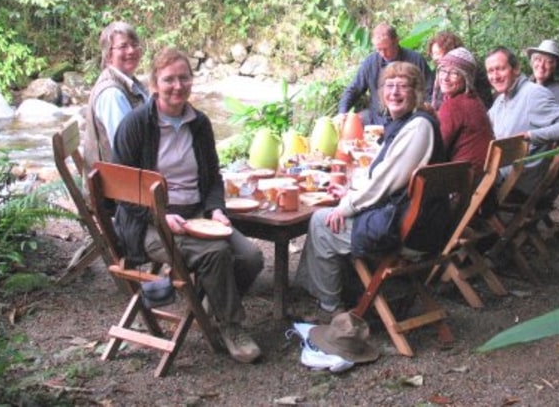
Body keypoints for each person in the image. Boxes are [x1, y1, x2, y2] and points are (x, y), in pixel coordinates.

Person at [112, 47, 264, 364]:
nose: (177, 86)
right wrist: (160, 215)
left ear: (192, 81)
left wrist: (216, 209)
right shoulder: (136, 125)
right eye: (169, 79)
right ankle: (232, 326)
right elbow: (121, 191)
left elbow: (212, 178)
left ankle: (209, 306)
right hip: (148, 223)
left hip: (197, 214)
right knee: (216, 254)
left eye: (184, 78)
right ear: (154, 84)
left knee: (250, 257)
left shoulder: (200, 123)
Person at [297, 61, 447, 318]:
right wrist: (349, 190)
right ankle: (330, 291)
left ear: (417, 92)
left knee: (321, 221)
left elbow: (386, 181)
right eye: (389, 86)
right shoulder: (408, 122)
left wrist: (347, 205)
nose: (394, 93)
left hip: (409, 232)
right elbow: (382, 173)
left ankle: (330, 308)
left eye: (402, 87)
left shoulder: (418, 126)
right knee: (333, 213)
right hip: (417, 221)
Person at [485, 46, 559, 195]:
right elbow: (482, 125)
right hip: (500, 176)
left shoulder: (533, 94)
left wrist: (531, 135)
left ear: (516, 68)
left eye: (500, 69)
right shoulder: (501, 100)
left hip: (517, 183)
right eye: (490, 71)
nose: (495, 76)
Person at [83, 21, 151, 176]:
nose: (131, 51)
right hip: (123, 187)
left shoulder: (129, 82)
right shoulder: (112, 94)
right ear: (108, 55)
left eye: (134, 45)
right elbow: (128, 152)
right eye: (123, 47)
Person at [338, 23, 433, 126]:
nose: (383, 54)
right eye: (379, 49)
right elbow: (354, 89)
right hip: (377, 116)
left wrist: (424, 111)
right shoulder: (371, 62)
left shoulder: (415, 60)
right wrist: (342, 112)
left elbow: (429, 90)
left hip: (407, 117)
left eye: (386, 48)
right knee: (352, 123)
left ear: (396, 41)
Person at [436, 47, 494, 179]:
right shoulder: (474, 99)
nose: (445, 77)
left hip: (464, 185)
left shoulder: (454, 106)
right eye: (443, 70)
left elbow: (437, 148)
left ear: (466, 78)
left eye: (454, 73)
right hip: (482, 181)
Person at [426, 30, 492, 109]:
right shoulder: (438, 73)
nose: (435, 58)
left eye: (439, 53)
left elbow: (484, 102)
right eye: (433, 53)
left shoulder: (473, 72)